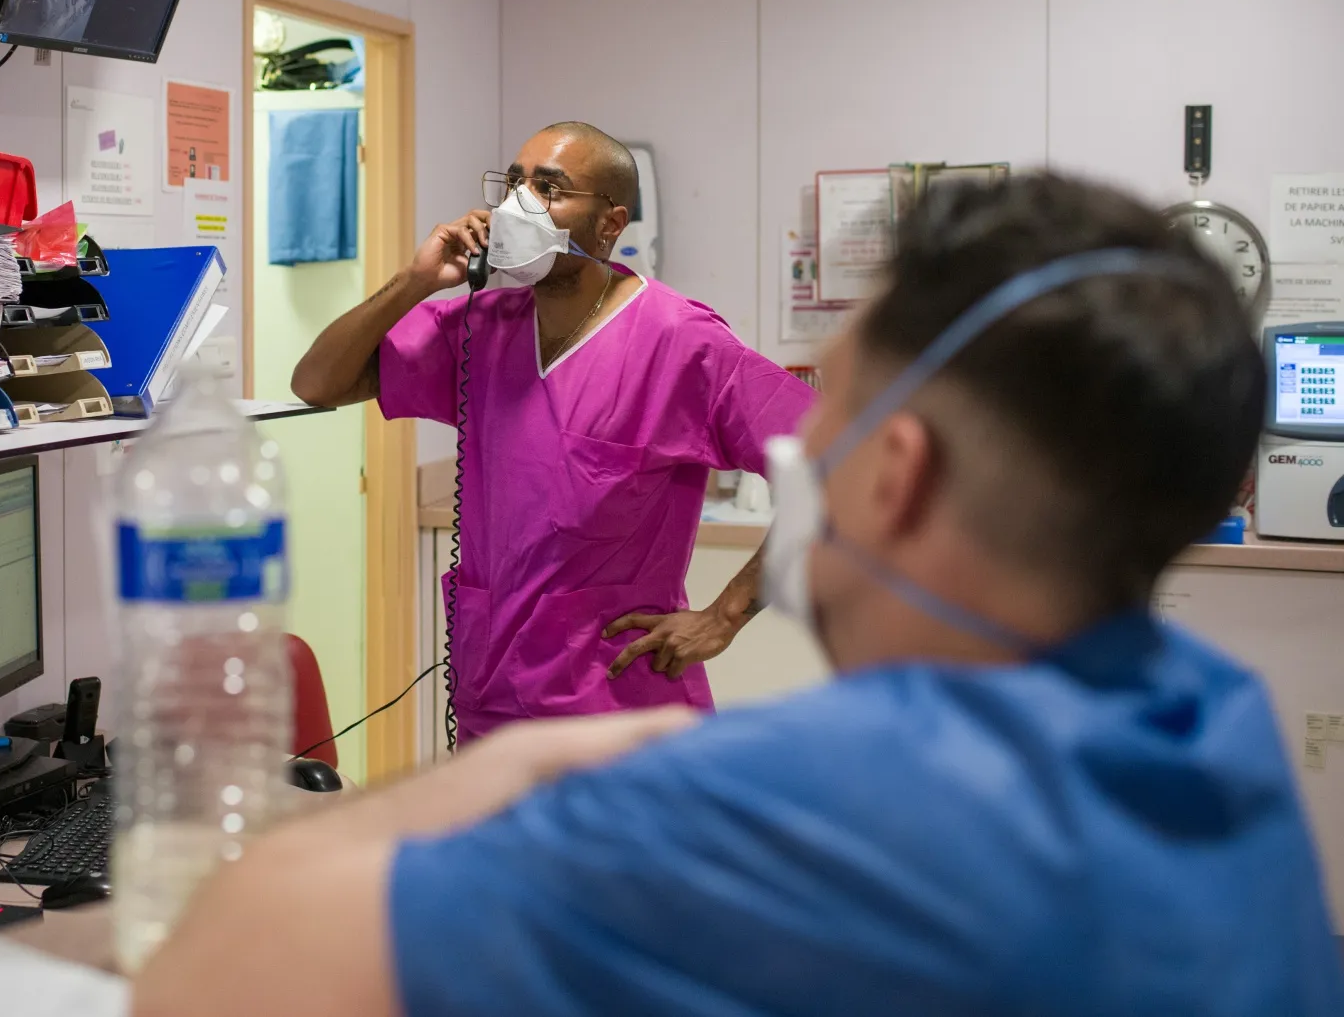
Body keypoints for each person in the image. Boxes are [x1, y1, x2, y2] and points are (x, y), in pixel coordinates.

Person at [143, 173, 1344, 1015]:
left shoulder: (787, 812)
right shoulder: (1214, 730)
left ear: (894, 474)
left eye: (832, 421)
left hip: (581, 709)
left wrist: (486, 783)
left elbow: (224, 967)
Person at [292, 122, 814, 742]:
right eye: (513, 182)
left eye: (549, 187)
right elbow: (317, 382)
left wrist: (725, 615)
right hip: (492, 696)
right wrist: (416, 281)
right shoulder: (480, 327)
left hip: (616, 707)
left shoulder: (678, 340)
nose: (519, 202)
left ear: (610, 224)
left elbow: (836, 457)